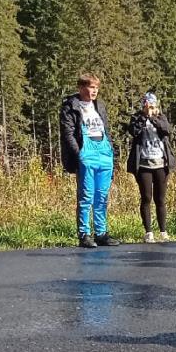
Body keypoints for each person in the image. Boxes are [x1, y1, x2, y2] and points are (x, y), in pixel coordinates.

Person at [60, 73, 120, 249]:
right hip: (86, 154)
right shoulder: (70, 106)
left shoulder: (99, 106)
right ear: (81, 87)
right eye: (91, 87)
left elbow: (106, 130)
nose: (94, 91)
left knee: (101, 196)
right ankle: (84, 234)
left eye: (96, 88)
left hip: (103, 153)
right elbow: (68, 133)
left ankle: (101, 234)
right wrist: (79, 154)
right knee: (86, 196)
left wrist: (111, 152)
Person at [127, 92, 175, 243]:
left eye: (153, 105)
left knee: (160, 199)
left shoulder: (161, 117)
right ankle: (148, 232)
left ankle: (163, 231)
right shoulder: (137, 118)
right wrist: (144, 116)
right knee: (146, 197)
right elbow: (134, 131)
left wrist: (153, 117)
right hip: (143, 164)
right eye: (147, 105)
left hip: (161, 163)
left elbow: (167, 130)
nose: (150, 107)